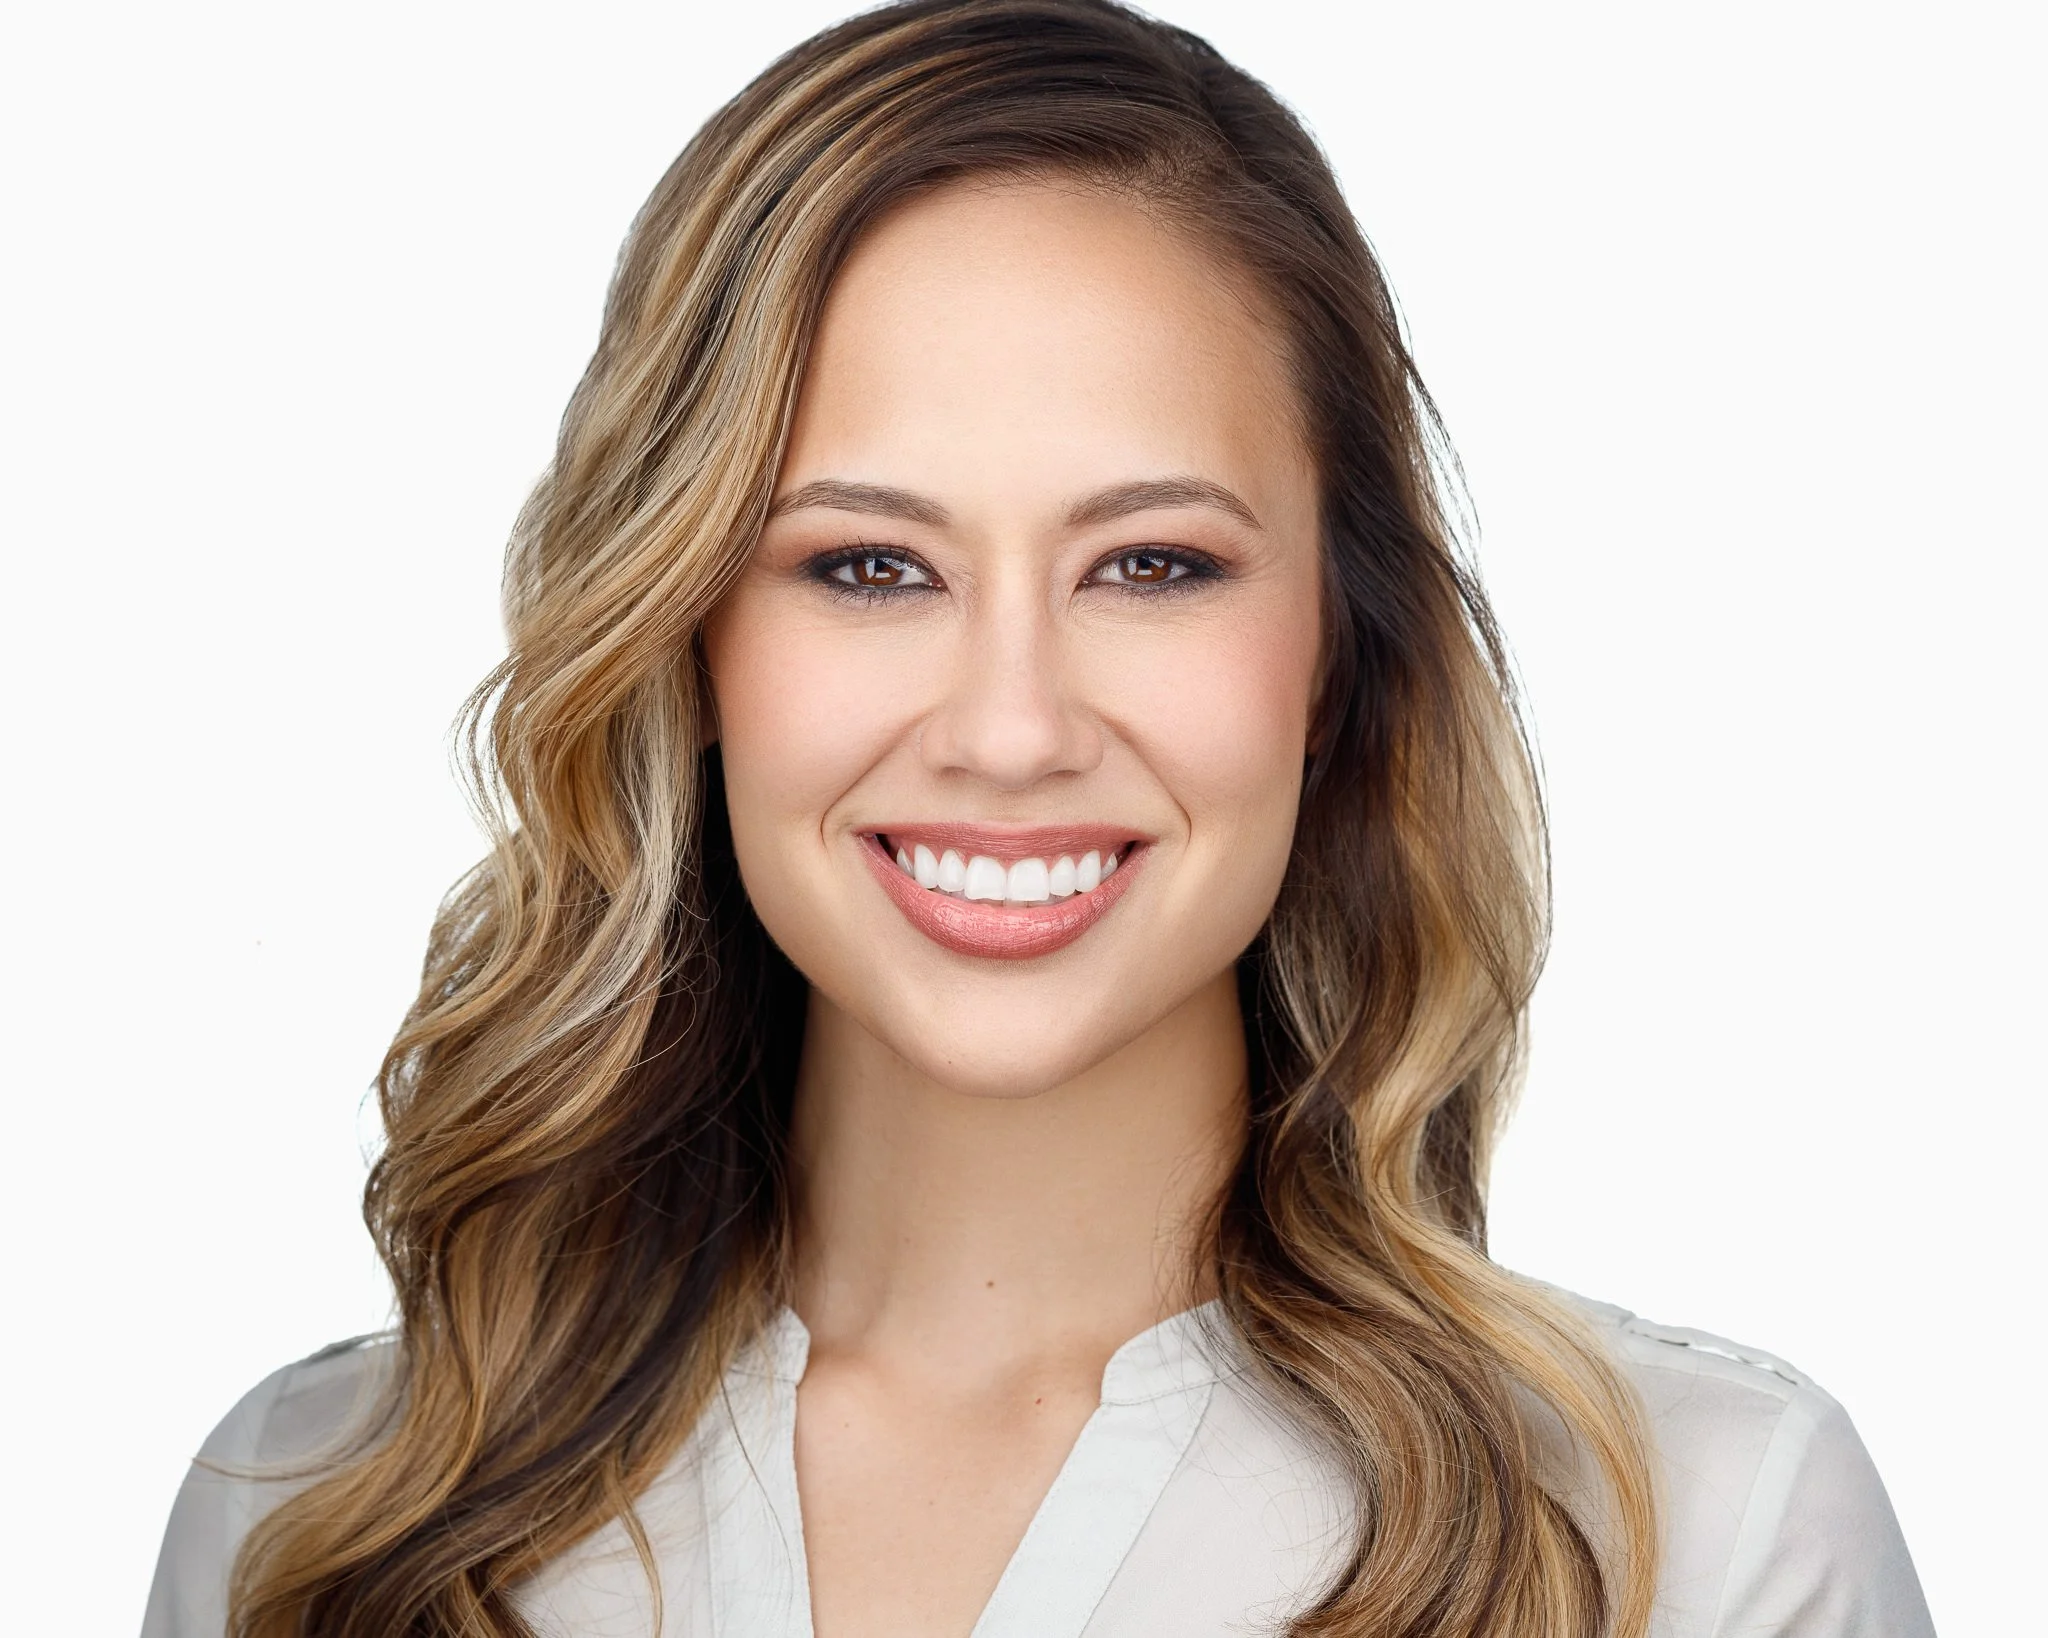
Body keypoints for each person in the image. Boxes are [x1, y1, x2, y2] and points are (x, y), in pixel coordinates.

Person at [141, 3, 1934, 1635]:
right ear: (687, 643)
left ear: (1335, 647)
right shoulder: (319, 1518)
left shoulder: (1695, 1538)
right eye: (867, 565)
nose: (1011, 729)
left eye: (1152, 564)